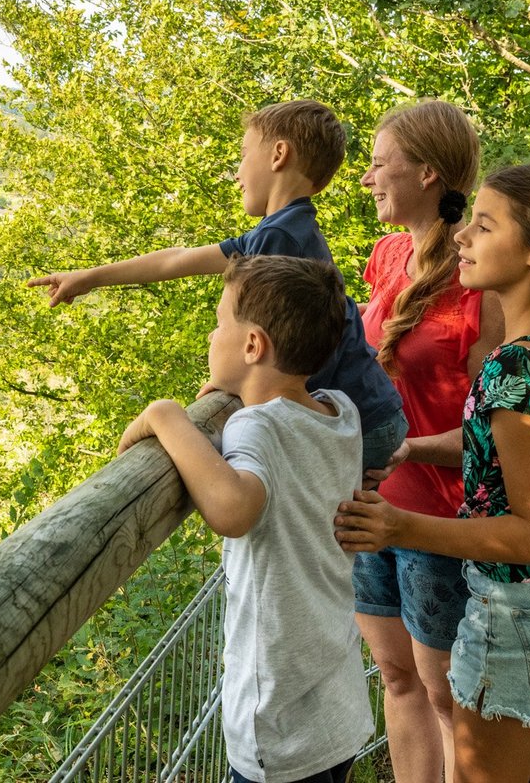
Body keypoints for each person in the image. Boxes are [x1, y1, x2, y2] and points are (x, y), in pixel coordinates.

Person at [336, 164, 530, 783]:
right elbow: (515, 459)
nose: (463, 237)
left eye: (484, 225)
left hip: (523, 615)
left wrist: (399, 527)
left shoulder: (510, 370)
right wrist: (414, 449)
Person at [29, 99, 408, 472]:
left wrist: (235, 381)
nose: (238, 172)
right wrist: (87, 278)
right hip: (368, 412)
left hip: (362, 417)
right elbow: (178, 258)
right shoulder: (278, 232)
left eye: (244, 155)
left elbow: (286, 348)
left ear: (279, 155)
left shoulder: (281, 244)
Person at [118, 255, 372, 783]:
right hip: (335, 698)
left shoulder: (257, 427)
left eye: (219, 324)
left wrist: (168, 416)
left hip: (279, 719)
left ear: (253, 346)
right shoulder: (340, 413)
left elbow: (234, 509)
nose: (213, 337)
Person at [354, 100, 504, 783]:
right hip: (366, 508)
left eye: (379, 164)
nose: (366, 179)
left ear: (427, 173)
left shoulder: (482, 279)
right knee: (395, 676)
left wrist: (411, 450)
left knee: (448, 696)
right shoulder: (386, 256)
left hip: (438, 520)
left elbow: (497, 434)